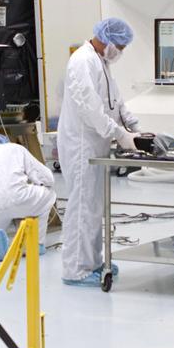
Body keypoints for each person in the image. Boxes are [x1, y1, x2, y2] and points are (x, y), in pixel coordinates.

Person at [57, 17, 139, 287]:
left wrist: (134, 128)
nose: (121, 52)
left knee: (93, 207)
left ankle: (92, 262)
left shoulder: (100, 62)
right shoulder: (82, 61)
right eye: (121, 46)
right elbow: (89, 106)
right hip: (81, 145)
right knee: (82, 207)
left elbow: (115, 101)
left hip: (95, 144)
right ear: (107, 39)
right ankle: (76, 270)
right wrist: (118, 133)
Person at [0, 134, 56, 260]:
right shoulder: (16, 149)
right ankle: (36, 243)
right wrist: (38, 184)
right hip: (21, 198)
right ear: (4, 141)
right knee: (49, 194)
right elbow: (48, 178)